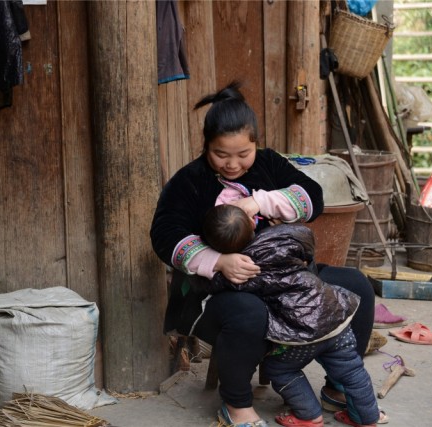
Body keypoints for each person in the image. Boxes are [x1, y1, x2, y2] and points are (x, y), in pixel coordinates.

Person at [150, 80, 375, 427]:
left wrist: (261, 200)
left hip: (285, 281)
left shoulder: (269, 165)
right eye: (220, 154)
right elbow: (165, 237)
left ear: (256, 142)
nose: (232, 164)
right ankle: (236, 405)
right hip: (218, 293)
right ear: (206, 145)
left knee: (356, 285)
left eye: (243, 154)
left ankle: (340, 386)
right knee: (248, 312)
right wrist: (218, 261)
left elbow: (312, 196)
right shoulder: (189, 181)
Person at [203, 204, 379, 427]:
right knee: (352, 368)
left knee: (280, 369)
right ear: (252, 222)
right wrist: (303, 252)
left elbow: (218, 285)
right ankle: (367, 418)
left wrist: (215, 268)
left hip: (302, 333)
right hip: (336, 319)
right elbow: (306, 235)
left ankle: (309, 415)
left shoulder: (240, 271)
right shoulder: (284, 236)